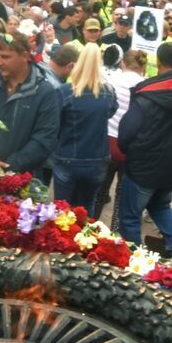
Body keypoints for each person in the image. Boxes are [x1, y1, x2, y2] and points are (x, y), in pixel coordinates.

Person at [117, 43, 172, 254]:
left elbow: (127, 131)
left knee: (130, 217)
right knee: (159, 205)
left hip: (143, 167)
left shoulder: (145, 92)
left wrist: (126, 150)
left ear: (158, 63)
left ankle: (135, 260)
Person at [0, 35, 59, 179]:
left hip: (21, 179)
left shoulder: (44, 91)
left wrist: (9, 165)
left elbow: (45, 139)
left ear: (24, 56)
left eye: (5, 57)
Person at [52, 44, 117, 215]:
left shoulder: (64, 92)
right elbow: (110, 112)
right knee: (87, 209)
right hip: (97, 159)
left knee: (62, 211)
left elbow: (54, 123)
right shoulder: (108, 92)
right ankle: (85, 239)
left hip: (67, 157)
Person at [96, 47, 146, 222]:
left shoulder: (111, 80)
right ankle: (116, 235)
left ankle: (88, 230)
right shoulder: (145, 85)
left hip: (106, 141)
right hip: (130, 145)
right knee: (122, 195)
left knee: (100, 191)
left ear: (123, 63)